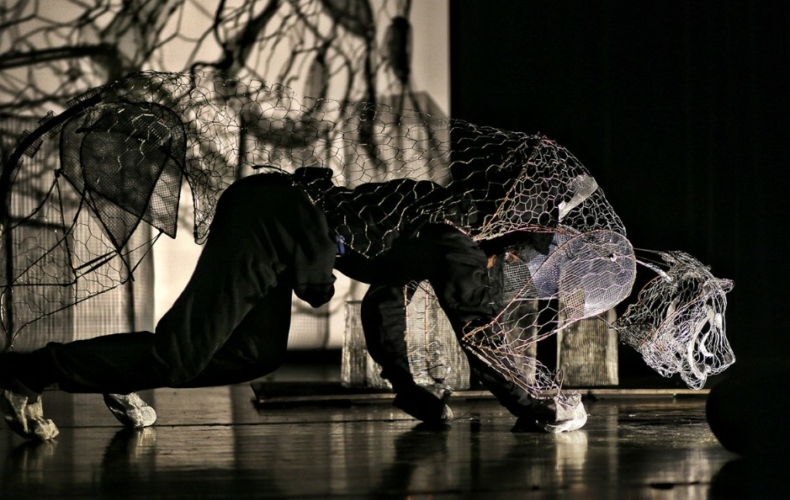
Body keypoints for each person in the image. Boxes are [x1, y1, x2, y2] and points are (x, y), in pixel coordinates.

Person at [0, 167, 585, 441]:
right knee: (177, 358)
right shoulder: (458, 241)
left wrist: (408, 389)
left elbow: (383, 302)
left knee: (255, 354)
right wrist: (537, 404)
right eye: (515, 263)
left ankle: (122, 366)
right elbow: (478, 330)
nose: (511, 273)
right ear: (507, 244)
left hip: (282, 229)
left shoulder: (440, 232)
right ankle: (25, 373)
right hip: (268, 217)